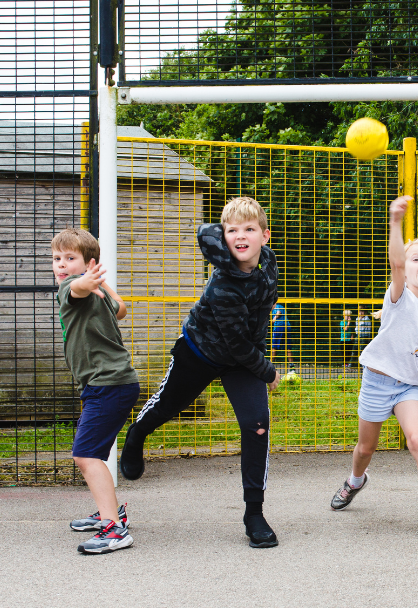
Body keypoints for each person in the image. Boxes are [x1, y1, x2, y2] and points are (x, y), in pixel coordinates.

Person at [118, 197, 283, 549]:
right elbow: (236, 343)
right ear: (223, 237)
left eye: (249, 229)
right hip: (201, 351)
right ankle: (136, 435)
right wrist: (268, 372)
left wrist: (259, 364)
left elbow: (259, 320)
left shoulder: (268, 263)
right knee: (168, 407)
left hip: (243, 359)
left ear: (265, 236)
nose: (241, 236)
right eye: (232, 230)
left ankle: (254, 512)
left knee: (257, 424)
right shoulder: (223, 284)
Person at [329, 195, 418, 539]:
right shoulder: (398, 298)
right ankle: (355, 481)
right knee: (366, 448)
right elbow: (395, 265)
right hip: (377, 381)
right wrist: (396, 221)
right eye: (415, 258)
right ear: (406, 269)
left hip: (407, 387)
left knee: (417, 440)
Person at [53, 228, 140, 554]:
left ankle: (114, 530)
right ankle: (111, 512)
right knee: (93, 453)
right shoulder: (98, 296)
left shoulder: (70, 288)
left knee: (86, 455)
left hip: (108, 386)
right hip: (111, 384)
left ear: (88, 263)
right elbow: (121, 308)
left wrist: (87, 282)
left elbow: (74, 288)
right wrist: (97, 284)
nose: (62, 265)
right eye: (57, 258)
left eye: (70, 258)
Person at [269, 303, 295, 367]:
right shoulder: (282, 306)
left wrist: (274, 317)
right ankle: (292, 367)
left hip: (279, 326)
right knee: (287, 347)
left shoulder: (276, 306)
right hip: (287, 326)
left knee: (274, 347)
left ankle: (270, 366)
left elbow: (279, 312)